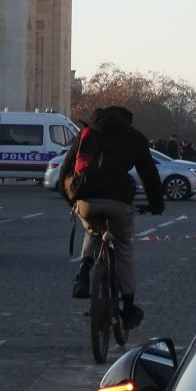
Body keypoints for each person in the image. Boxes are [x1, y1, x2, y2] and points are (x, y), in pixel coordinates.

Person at [59, 105, 165, 330]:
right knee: (123, 246)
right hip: (119, 200)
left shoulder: (86, 133)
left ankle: (83, 275)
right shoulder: (134, 137)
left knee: (92, 231)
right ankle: (128, 306)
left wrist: (69, 197)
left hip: (86, 198)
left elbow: (66, 168)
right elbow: (149, 175)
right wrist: (156, 204)